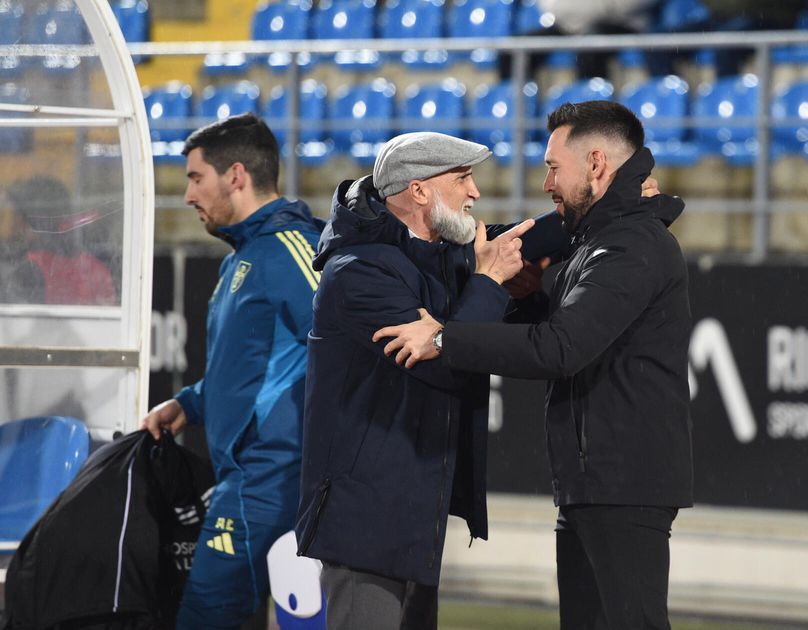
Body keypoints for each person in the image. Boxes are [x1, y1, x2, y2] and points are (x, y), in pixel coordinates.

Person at [374, 101, 693, 630]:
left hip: (623, 486)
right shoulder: (603, 239)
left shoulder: (631, 245)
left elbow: (560, 348)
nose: (546, 184)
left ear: (596, 164)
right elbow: (571, 331)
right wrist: (524, 299)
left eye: (552, 168)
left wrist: (446, 339)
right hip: (595, 485)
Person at [294, 131, 536, 629]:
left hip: (413, 512)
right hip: (365, 520)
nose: (475, 193)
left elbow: (522, 252)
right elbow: (447, 365)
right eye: (463, 178)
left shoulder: (438, 257)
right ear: (420, 190)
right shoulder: (357, 272)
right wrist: (489, 283)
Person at [139, 113, 324, 630]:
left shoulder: (294, 250)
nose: (188, 196)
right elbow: (250, 371)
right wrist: (188, 403)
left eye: (196, 178)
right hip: (247, 480)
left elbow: (349, 349)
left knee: (204, 616)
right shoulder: (242, 258)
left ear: (236, 175)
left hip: (272, 482)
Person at [0, 176, 116, 305]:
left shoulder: (27, 270)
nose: (12, 223)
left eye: (15, 214)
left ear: (25, 220)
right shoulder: (95, 268)